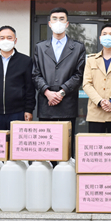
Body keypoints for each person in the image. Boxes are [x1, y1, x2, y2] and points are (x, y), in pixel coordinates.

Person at [32, 8, 86, 151]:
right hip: (46, 103)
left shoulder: (78, 47)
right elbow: (36, 74)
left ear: (67, 24)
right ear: (49, 23)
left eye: (62, 19)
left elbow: (79, 75)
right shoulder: (40, 47)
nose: (58, 22)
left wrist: (61, 93)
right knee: (46, 147)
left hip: (67, 103)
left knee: (66, 147)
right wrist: (47, 92)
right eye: (54, 19)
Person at [0, 26, 35, 130]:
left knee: (16, 140)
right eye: (2, 38)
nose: (6, 41)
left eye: (9, 38)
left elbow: (29, 88)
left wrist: (29, 109)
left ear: (15, 40)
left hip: (18, 112)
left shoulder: (25, 61)